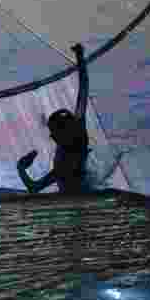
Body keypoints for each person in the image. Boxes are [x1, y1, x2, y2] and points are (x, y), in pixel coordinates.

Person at [16, 44, 92, 194]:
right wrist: (80, 58)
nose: (52, 137)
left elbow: (34, 188)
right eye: (53, 133)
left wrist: (21, 168)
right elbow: (83, 88)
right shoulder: (72, 138)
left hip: (75, 198)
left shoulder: (70, 159)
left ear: (68, 130)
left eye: (56, 133)